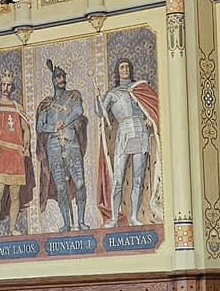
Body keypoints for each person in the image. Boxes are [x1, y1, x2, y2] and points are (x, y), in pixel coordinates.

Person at [98, 59, 158, 226]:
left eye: (127, 67)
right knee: (118, 178)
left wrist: (149, 118)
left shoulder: (139, 88)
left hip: (140, 131)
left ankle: (134, 217)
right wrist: (98, 99)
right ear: (117, 71)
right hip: (124, 132)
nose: (125, 70)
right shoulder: (112, 93)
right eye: (122, 67)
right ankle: (114, 218)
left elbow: (152, 107)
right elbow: (100, 113)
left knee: (138, 179)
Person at [35, 59, 88, 230]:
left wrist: (64, 123)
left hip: (71, 143)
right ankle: (67, 224)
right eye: (58, 77)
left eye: (63, 76)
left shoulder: (73, 97)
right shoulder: (47, 104)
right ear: (53, 80)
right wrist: (53, 127)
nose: (61, 79)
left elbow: (79, 111)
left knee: (79, 183)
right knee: (60, 187)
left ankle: (81, 222)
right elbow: (40, 126)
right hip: (54, 146)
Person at [0, 72, 30, 237]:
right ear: (0, 86)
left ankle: (12, 228)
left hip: (16, 155)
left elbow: (26, 129)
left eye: (9, 85)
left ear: (12, 87)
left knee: (15, 195)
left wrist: (26, 144)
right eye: (3, 84)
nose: (6, 88)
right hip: (1, 154)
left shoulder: (17, 107)